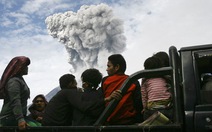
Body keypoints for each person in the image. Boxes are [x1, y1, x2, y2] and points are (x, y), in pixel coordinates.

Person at [42, 73, 121, 126]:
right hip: (57, 127)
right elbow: (84, 106)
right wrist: (106, 99)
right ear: (71, 83)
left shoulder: (63, 94)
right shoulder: (69, 93)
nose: (77, 84)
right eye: (75, 82)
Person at [101, 54, 142, 125]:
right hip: (129, 122)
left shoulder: (106, 81)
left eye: (108, 66)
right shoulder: (133, 81)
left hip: (109, 123)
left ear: (116, 67)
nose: (106, 69)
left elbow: (100, 100)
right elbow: (138, 104)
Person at [0, 56, 33, 130]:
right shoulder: (14, 81)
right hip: (9, 117)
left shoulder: (20, 80)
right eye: (25, 66)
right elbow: (15, 100)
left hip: (16, 117)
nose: (27, 68)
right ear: (19, 67)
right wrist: (20, 119)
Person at [141, 56, 172, 120]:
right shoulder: (165, 77)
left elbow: (144, 95)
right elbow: (170, 89)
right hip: (166, 104)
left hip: (152, 105)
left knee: (146, 114)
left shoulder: (145, 79)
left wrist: (144, 107)